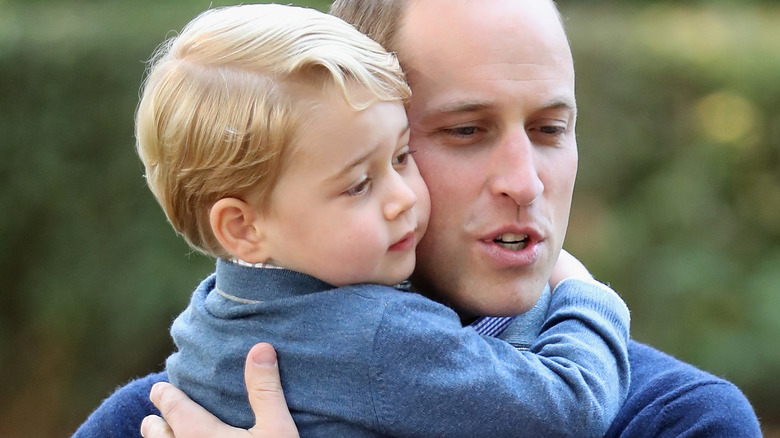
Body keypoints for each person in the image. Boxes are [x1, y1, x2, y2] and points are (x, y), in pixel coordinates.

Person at [104, 0, 767, 436]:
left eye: (549, 128)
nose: (524, 181)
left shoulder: (676, 421)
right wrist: (590, 297)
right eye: (466, 130)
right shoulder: (158, 419)